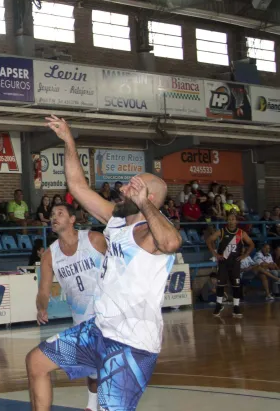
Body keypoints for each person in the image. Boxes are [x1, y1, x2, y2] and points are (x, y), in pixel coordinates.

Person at [26, 116, 182, 411]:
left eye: (133, 187)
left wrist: (145, 203)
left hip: (131, 345)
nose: (124, 188)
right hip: (99, 330)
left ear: (147, 197)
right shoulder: (117, 221)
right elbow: (77, 185)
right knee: (36, 362)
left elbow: (171, 243)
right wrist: (69, 140)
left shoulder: (151, 233)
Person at [27, 203, 106, 411]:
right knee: (93, 371)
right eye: (52, 214)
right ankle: (92, 405)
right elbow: (43, 292)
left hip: (109, 319)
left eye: (60, 213)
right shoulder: (50, 255)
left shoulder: (94, 240)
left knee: (106, 372)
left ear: (73, 219)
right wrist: (41, 307)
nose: (54, 217)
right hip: (82, 323)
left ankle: (96, 406)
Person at [206, 213, 254, 318]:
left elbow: (251, 244)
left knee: (236, 285)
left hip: (235, 262)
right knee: (220, 284)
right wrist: (215, 254)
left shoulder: (241, 233)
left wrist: (245, 255)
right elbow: (209, 240)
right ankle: (219, 305)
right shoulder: (222, 231)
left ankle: (236, 307)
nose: (231, 221)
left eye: (233, 219)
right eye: (229, 219)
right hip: (223, 262)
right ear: (227, 221)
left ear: (236, 221)